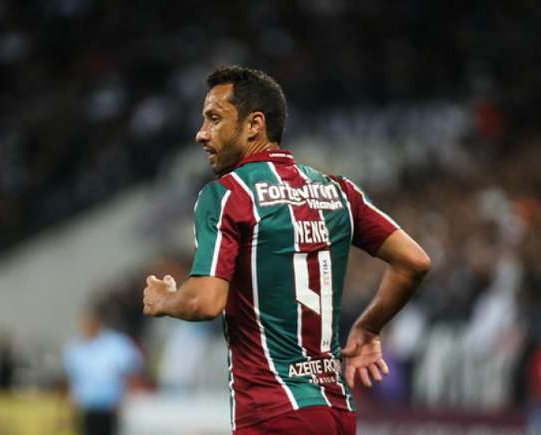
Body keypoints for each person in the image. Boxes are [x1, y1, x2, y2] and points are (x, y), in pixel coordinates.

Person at [142, 65, 430, 435]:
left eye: (214, 118)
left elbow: (204, 302)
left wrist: (164, 300)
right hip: (336, 411)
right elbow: (414, 262)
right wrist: (370, 327)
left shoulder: (229, 194)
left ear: (254, 124)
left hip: (274, 414)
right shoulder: (338, 191)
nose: (201, 134)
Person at [64, 303, 142, 435]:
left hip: (110, 408)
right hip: (85, 409)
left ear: (99, 322)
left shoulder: (116, 344)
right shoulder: (75, 347)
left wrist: (125, 399)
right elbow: (71, 379)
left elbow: (133, 371)